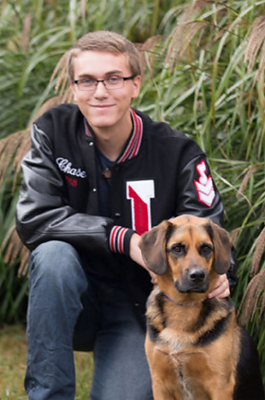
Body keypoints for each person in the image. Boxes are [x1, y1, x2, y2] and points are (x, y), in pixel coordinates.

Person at [16, 30, 232, 400]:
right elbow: (35, 217)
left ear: (135, 84)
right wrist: (126, 239)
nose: (100, 92)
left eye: (113, 78)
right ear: (73, 87)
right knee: (52, 257)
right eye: (87, 80)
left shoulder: (177, 151)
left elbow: (206, 224)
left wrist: (219, 273)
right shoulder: (52, 131)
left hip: (138, 308)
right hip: (71, 297)